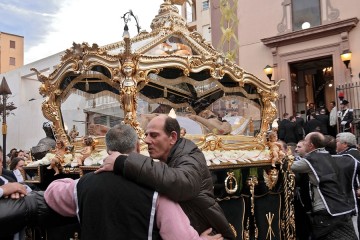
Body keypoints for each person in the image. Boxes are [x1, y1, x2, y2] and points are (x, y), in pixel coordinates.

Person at [44, 124, 222, 240]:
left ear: (107, 150)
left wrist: (77, 180)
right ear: (137, 147)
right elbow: (179, 236)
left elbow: (52, 193)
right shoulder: (156, 190)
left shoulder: (82, 185)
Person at [96, 115, 235, 239]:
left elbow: (180, 182)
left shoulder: (190, 156)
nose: (146, 140)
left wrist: (124, 161)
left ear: (173, 137)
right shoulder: (174, 156)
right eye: (146, 135)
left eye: (154, 135)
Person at [291, 132, 358, 239]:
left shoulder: (312, 159)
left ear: (311, 145)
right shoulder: (329, 155)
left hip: (326, 207)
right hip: (342, 205)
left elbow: (290, 166)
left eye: (305, 142)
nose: (303, 144)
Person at [336, 132, 360, 238]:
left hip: (353, 193)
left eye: (337, 142)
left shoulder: (346, 157)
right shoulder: (357, 153)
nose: (335, 144)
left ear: (345, 144)